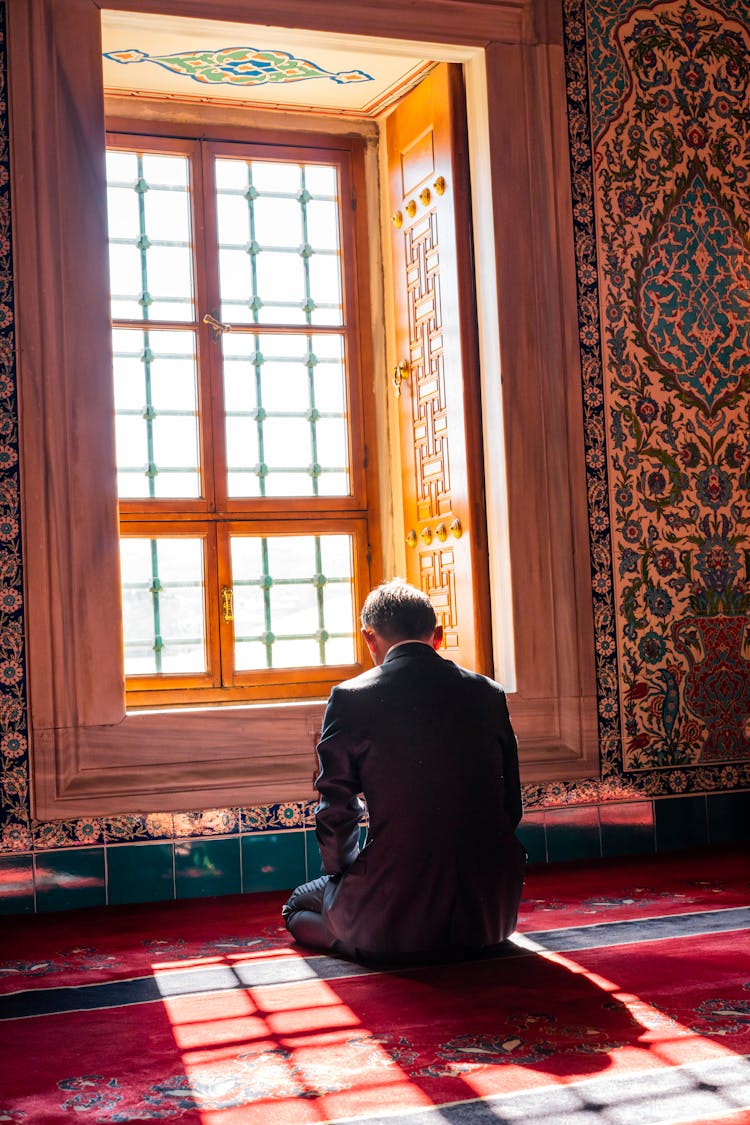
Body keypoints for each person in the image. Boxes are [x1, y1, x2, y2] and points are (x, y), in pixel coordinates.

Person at [282, 578, 525, 962]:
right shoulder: (488, 692)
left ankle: (375, 940)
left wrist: (343, 874)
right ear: (438, 636)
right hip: (490, 908)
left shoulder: (351, 698)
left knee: (297, 905)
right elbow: (511, 802)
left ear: (369, 638)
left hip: (396, 895)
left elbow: (336, 809)